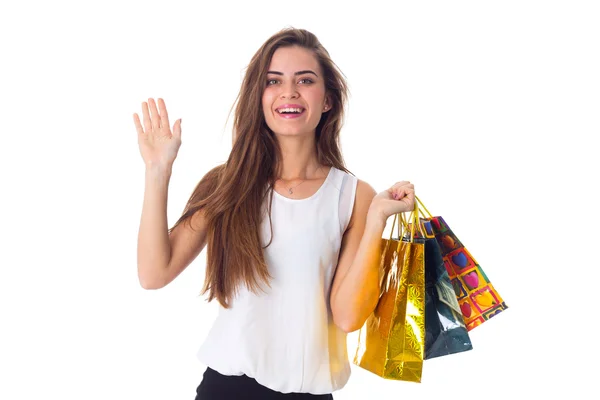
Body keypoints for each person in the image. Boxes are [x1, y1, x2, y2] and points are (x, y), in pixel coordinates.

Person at [133, 27, 415, 400]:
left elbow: (346, 316)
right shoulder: (227, 183)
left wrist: (377, 219)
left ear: (327, 99)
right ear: (259, 95)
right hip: (226, 388)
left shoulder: (353, 196)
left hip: (309, 393)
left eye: (305, 80)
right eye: (273, 81)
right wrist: (158, 172)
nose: (289, 92)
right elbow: (154, 274)